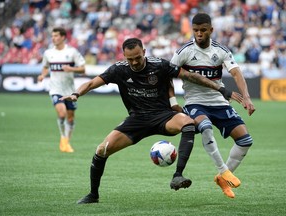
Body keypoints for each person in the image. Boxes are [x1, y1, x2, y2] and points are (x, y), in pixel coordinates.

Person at [61, 38, 242, 204]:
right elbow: (92, 83)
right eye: (130, 59)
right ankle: (93, 195)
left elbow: (190, 76)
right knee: (102, 150)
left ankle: (177, 175)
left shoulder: (160, 65)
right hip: (137, 120)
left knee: (188, 123)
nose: (134, 62)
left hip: (163, 116)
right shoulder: (119, 69)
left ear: (144, 52)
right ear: (125, 56)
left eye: (137, 58)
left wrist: (219, 88)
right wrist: (77, 93)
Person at [170, 13, 256, 198]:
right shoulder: (183, 51)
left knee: (245, 141)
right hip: (195, 102)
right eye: (195, 30)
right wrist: (173, 103)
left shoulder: (221, 50)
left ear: (211, 30)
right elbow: (167, 76)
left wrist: (247, 98)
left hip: (219, 102)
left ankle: (221, 178)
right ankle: (224, 170)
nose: (199, 34)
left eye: (203, 30)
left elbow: (236, 73)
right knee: (206, 127)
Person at [38, 27, 86, 153]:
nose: (53, 38)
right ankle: (63, 139)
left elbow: (82, 69)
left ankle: (66, 143)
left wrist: (72, 69)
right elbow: (45, 67)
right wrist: (43, 75)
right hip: (55, 88)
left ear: (63, 37)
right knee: (61, 113)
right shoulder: (48, 53)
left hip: (70, 90)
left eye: (56, 36)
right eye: (52, 36)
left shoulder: (72, 52)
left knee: (70, 118)